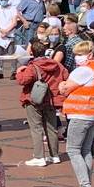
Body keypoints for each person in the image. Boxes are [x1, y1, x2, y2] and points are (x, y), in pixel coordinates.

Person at [57, 39, 94, 187]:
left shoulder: (83, 70)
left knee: (73, 150)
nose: (77, 57)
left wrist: (62, 84)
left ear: (90, 54)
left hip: (81, 114)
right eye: (76, 54)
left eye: (80, 54)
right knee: (85, 151)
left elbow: (64, 89)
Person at [16, 40, 66, 168]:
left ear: (32, 52)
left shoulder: (33, 66)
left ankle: (39, 157)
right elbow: (66, 75)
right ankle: (54, 155)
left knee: (36, 128)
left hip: (34, 100)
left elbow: (22, 80)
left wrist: (19, 71)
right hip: (51, 100)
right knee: (51, 128)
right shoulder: (56, 64)